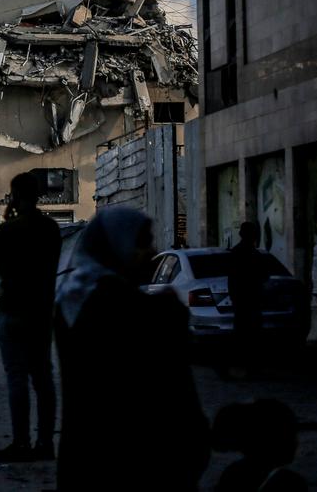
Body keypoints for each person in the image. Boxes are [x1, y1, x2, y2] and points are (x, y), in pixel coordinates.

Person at [55, 207, 208, 490]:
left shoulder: (73, 296)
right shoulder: (117, 304)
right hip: (135, 463)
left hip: (83, 458)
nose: (151, 252)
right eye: (142, 243)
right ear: (116, 246)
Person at [0, 172, 61, 463]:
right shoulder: (51, 229)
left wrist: (8, 219)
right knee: (43, 378)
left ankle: (21, 442)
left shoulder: (7, 232)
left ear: (15, 196)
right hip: (41, 311)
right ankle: (45, 443)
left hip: (13, 310)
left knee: (17, 378)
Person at [227, 221, 268, 379]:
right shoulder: (254, 254)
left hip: (243, 299)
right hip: (250, 298)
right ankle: (250, 366)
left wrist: (234, 296)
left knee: (243, 333)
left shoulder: (237, 252)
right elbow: (263, 276)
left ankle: (245, 365)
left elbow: (231, 277)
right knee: (252, 333)